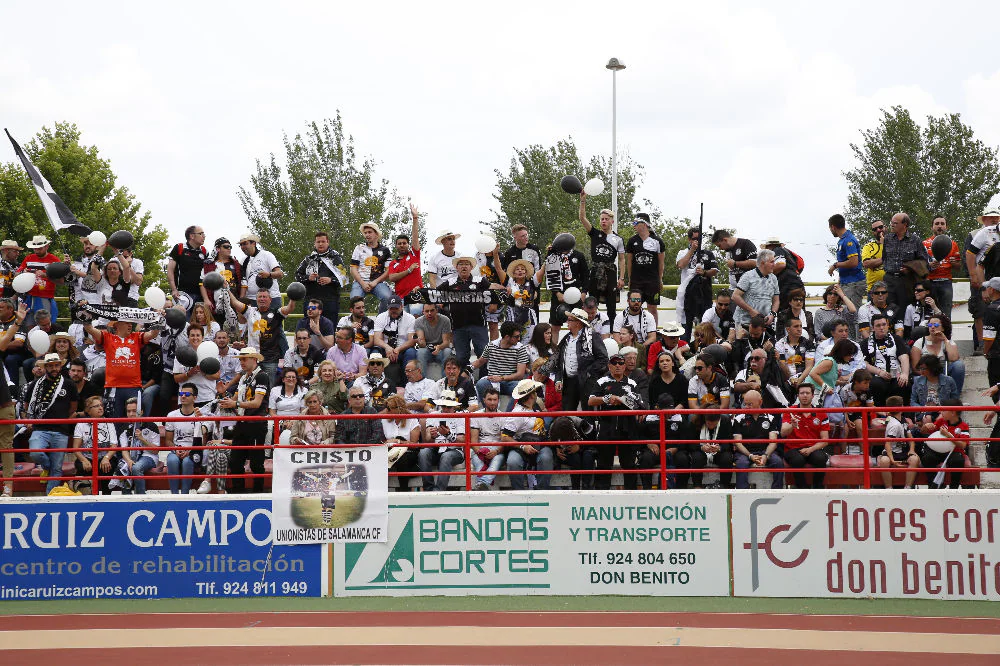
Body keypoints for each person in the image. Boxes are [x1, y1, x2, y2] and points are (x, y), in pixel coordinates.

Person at [83, 314, 159, 418]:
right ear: (117, 325)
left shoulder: (136, 337)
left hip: (133, 387)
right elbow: (89, 328)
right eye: (127, 322)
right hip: (113, 387)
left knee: (135, 421)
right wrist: (85, 314)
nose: (130, 325)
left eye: (131, 323)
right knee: (113, 421)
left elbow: (153, 333)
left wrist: (158, 318)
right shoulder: (107, 337)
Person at [23, 353, 79, 494]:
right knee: (35, 453)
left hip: (61, 430)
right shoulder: (35, 385)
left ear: (60, 366)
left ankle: (50, 497)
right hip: (40, 428)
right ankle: (46, 467)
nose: (54, 368)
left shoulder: (69, 384)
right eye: (50, 366)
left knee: (57, 468)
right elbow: (26, 406)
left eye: (56, 365)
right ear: (45, 367)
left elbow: (73, 408)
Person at [589, 353, 645, 490]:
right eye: (614, 363)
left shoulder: (632, 383)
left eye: (621, 363)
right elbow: (590, 401)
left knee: (629, 464)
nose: (618, 366)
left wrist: (623, 400)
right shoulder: (602, 381)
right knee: (604, 464)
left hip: (628, 427)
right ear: (609, 366)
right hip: (607, 426)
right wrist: (606, 398)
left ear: (625, 366)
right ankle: (602, 496)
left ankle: (631, 497)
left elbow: (640, 404)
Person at [220, 347, 272, 493]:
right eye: (240, 359)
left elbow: (257, 403)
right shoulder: (243, 377)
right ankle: (238, 493)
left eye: (244, 359)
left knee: (256, 463)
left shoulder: (262, 376)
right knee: (235, 461)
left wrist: (234, 403)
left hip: (256, 424)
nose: (241, 362)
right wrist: (224, 397)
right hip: (242, 423)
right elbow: (234, 399)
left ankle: (258, 494)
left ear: (254, 359)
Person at [228, 287, 299, 381]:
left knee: (269, 386)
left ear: (270, 300)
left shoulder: (276, 312)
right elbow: (235, 303)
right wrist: (227, 289)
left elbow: (289, 308)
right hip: (253, 357)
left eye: (265, 297)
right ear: (256, 300)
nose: (262, 299)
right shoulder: (250, 311)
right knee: (251, 385)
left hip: (271, 359)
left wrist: (293, 297)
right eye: (260, 297)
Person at [440, 255, 496, 369]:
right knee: (461, 358)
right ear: (456, 267)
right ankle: (463, 383)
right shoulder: (449, 282)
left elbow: (494, 287)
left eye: (466, 264)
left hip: (478, 325)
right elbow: (433, 293)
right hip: (458, 327)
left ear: (471, 267)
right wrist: (418, 289)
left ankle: (484, 384)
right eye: (461, 264)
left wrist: (505, 290)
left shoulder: (480, 280)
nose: (464, 267)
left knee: (483, 355)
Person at [578, 193, 625, 322]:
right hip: (595, 271)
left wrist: (621, 278)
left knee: (611, 307)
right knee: (591, 303)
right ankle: (590, 330)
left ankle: (611, 334)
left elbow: (622, 259)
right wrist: (583, 201)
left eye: (606, 219)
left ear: (612, 221)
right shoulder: (595, 234)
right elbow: (582, 218)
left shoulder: (618, 239)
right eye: (602, 219)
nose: (603, 221)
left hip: (610, 272)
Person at [552, 308, 609, 410]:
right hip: (569, 382)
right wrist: (558, 380)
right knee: (567, 413)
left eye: (570, 320)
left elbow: (603, 359)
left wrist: (588, 373)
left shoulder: (592, 336)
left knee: (588, 414)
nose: (567, 322)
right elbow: (558, 361)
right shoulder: (566, 338)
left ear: (578, 323)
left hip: (586, 381)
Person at [502, 379, 551, 490]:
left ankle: (541, 493)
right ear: (532, 395)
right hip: (521, 446)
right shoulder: (517, 413)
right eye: (535, 392)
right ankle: (519, 494)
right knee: (513, 462)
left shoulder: (537, 406)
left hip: (540, 443)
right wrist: (523, 446)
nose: (537, 394)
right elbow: (504, 437)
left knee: (546, 458)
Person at [780, 383, 830, 489]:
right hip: (793, 448)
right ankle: (802, 489)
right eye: (802, 393)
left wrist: (811, 449)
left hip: (814, 447)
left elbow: (825, 440)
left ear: (812, 396)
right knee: (798, 460)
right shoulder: (790, 411)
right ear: (798, 395)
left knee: (820, 458)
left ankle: (818, 489)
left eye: (807, 393)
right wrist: (792, 425)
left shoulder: (821, 413)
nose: (805, 395)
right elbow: (783, 433)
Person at [965, 209, 1000, 355]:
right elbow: (970, 253)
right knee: (979, 310)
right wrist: (973, 275)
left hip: (998, 279)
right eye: (990, 217)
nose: (994, 220)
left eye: (996, 217)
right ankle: (981, 344)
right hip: (982, 277)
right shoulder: (984, 232)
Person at [732, 390, 783, 489]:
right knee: (741, 463)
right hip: (745, 452)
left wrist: (765, 455)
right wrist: (750, 455)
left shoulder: (770, 418)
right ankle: (742, 494)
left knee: (778, 462)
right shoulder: (739, 418)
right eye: (745, 404)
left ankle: (777, 492)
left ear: (760, 402)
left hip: (765, 450)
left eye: (750, 404)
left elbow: (773, 442)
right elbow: (738, 443)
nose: (747, 407)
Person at [70, 395, 121, 493]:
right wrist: (84, 460)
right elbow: (76, 448)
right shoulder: (81, 424)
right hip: (88, 457)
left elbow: (114, 446)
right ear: (88, 410)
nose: (100, 408)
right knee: (82, 465)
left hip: (105, 457)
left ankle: (106, 498)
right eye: (96, 406)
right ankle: (89, 495)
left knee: (106, 466)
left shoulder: (109, 423)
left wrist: (106, 458)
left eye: (101, 405)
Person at [542, 237, 589, 341]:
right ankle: (554, 351)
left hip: (575, 294)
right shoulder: (552, 256)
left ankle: (577, 348)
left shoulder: (579, 255)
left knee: (576, 324)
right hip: (559, 294)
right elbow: (549, 276)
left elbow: (585, 275)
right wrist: (556, 292)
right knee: (555, 325)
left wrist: (584, 292)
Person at [418, 390, 465, 491]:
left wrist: (448, 434)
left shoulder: (461, 416)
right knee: (423, 452)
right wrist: (433, 436)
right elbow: (427, 439)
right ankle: (429, 490)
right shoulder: (433, 415)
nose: (446, 409)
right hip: (436, 448)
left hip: (454, 450)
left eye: (449, 407)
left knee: (446, 456)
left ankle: (439, 491)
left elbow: (463, 440)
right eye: (443, 406)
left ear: (454, 407)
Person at [676, 227, 718, 338]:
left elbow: (714, 271)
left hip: (704, 294)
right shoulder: (682, 252)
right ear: (689, 239)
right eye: (694, 238)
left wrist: (704, 272)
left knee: (703, 329)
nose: (697, 241)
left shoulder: (708, 253)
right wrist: (692, 250)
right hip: (688, 296)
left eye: (699, 238)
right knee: (686, 330)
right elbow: (681, 265)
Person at [294, 231, 346, 322]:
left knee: (329, 330)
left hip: (330, 300)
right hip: (311, 301)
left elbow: (344, 278)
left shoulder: (336, 258)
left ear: (328, 242)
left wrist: (330, 280)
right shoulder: (308, 259)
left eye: (323, 241)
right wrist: (308, 278)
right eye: (318, 242)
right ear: (315, 243)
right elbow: (297, 276)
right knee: (309, 330)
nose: (320, 244)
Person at [473, 321, 528, 405]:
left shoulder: (520, 348)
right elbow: (480, 361)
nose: (519, 339)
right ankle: (489, 411)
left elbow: (520, 374)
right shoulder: (491, 345)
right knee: (481, 384)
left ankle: (508, 415)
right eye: (516, 336)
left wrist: (501, 378)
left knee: (521, 388)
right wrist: (467, 370)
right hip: (492, 380)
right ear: (507, 337)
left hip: (510, 382)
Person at [163, 382, 203, 495]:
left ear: (194, 398)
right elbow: (168, 441)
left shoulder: (199, 415)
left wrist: (190, 450)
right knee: (171, 460)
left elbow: (202, 442)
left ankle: (185, 496)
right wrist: (175, 449)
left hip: (194, 451)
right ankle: (174, 496)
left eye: (186, 394)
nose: (183, 396)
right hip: (176, 449)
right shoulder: (171, 415)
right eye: (181, 393)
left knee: (187, 462)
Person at [624, 216, 665, 325]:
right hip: (636, 281)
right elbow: (629, 261)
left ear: (645, 224)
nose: (634, 225)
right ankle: (634, 332)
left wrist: (660, 279)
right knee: (634, 307)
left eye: (636, 222)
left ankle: (654, 332)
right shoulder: (632, 241)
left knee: (652, 308)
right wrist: (630, 278)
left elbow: (661, 263)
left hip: (652, 281)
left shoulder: (657, 241)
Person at [862, 314, 911, 405]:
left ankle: (902, 415)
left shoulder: (896, 339)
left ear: (888, 325)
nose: (882, 328)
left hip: (896, 374)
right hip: (877, 375)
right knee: (876, 384)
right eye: (878, 325)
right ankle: (880, 414)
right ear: (873, 328)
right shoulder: (865, 343)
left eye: (884, 324)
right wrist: (879, 372)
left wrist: (904, 373)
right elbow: (864, 363)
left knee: (903, 383)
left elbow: (904, 357)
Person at [882, 212, 928, 308]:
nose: (892, 225)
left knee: (906, 309)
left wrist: (910, 269)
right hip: (889, 280)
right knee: (890, 310)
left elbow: (924, 261)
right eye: (891, 222)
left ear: (905, 225)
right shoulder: (887, 239)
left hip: (907, 281)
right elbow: (884, 258)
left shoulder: (915, 240)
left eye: (895, 223)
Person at [492, 255, 543, 339]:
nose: (520, 271)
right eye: (517, 269)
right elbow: (498, 269)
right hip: (512, 315)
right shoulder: (509, 282)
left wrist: (549, 256)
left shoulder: (532, 282)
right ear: (513, 273)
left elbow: (542, 271)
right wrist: (495, 253)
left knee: (529, 342)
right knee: (512, 340)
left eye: (523, 269)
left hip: (529, 316)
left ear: (526, 273)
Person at [922, 399, 969, 490]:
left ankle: (953, 488)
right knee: (927, 458)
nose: (940, 412)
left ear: (952, 412)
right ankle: (934, 486)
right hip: (939, 452)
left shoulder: (963, 426)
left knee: (958, 461)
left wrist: (948, 435)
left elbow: (963, 445)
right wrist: (926, 427)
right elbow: (925, 431)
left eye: (943, 410)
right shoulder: (941, 421)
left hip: (954, 452)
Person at [910, 314, 964, 393]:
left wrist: (945, 340)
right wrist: (932, 375)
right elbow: (915, 368)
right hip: (925, 373)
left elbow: (954, 358)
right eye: (930, 324)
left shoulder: (948, 342)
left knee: (959, 365)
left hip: (943, 372)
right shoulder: (920, 343)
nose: (932, 327)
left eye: (936, 325)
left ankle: (954, 397)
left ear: (943, 328)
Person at [385, 204, 423, 314]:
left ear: (408, 245)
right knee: (403, 324)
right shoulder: (393, 263)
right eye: (399, 243)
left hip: (416, 294)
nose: (402, 245)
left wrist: (415, 218)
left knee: (416, 315)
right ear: (396, 246)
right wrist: (409, 270)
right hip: (400, 298)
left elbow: (415, 236)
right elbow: (392, 277)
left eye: (404, 243)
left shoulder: (414, 255)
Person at [171, 325, 220, 408]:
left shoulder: (211, 352)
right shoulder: (182, 354)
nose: (195, 338)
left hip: (206, 397)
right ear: (188, 337)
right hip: (186, 397)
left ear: (202, 337)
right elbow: (176, 378)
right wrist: (189, 373)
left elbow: (217, 375)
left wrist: (203, 371)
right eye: (192, 335)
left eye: (198, 335)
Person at [731, 250, 779, 333]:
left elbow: (776, 300)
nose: (774, 264)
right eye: (772, 262)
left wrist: (772, 315)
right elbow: (735, 296)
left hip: (763, 324)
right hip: (744, 323)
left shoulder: (773, 278)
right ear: (763, 263)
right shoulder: (748, 276)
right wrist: (751, 311)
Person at [878, 395, 920, 489]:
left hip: (903, 451)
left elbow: (911, 439)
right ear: (901, 407)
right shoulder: (894, 425)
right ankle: (889, 488)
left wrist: (912, 450)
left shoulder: (903, 420)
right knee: (884, 461)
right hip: (892, 452)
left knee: (914, 459)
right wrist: (892, 460)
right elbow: (887, 443)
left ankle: (907, 488)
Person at [119, 397, 159, 495]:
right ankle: (126, 500)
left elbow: (156, 451)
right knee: (123, 467)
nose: (131, 414)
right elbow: (124, 450)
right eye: (128, 411)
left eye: (134, 411)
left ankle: (141, 498)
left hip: (149, 456)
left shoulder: (151, 426)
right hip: (130, 457)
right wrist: (128, 461)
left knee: (136, 468)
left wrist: (142, 439)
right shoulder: (124, 428)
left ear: (141, 412)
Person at [381, 394, 421, 491]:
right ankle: (381, 491)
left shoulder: (412, 420)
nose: (386, 410)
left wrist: (398, 441)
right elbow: (381, 440)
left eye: (389, 408)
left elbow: (414, 445)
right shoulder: (384, 420)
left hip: (408, 452)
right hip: (389, 451)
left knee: (402, 457)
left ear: (398, 409)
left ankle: (403, 491)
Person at [350, 222, 393, 311]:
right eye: (365, 233)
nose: (367, 235)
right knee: (354, 300)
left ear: (376, 234)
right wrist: (362, 283)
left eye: (370, 232)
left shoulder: (385, 250)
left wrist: (375, 282)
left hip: (378, 282)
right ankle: (361, 323)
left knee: (387, 298)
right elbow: (353, 268)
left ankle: (380, 322)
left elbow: (389, 271)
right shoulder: (359, 248)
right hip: (360, 281)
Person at [469, 387, 505, 490]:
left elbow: (504, 441)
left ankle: (480, 485)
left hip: (497, 450)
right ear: (484, 400)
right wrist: (480, 452)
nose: (492, 403)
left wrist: (496, 451)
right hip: (479, 449)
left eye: (495, 400)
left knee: (496, 460)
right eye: (490, 399)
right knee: (480, 465)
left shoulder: (503, 416)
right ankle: (483, 486)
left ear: (498, 400)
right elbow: (474, 441)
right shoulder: (476, 415)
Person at [19, 235, 62, 322]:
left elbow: (61, 280)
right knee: (28, 323)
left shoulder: (54, 260)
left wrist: (45, 275)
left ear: (46, 246)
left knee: (44, 324)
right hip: (29, 296)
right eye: (35, 248)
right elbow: (17, 273)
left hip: (45, 297)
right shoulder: (29, 258)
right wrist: (23, 273)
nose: (37, 251)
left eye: (39, 248)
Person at [923, 216, 961, 315]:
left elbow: (958, 268)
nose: (939, 226)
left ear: (946, 227)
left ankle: (946, 331)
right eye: (937, 224)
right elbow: (920, 266)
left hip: (946, 282)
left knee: (946, 314)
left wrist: (954, 263)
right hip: (929, 282)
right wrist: (929, 265)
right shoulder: (924, 244)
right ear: (932, 227)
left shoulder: (953, 244)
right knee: (929, 313)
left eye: (942, 224)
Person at [827, 214, 867, 308]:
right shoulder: (842, 240)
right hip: (846, 282)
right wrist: (839, 282)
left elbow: (853, 262)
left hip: (853, 283)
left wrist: (835, 265)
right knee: (846, 311)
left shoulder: (849, 240)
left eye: (830, 228)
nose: (830, 230)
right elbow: (844, 265)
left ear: (833, 227)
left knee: (852, 312)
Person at [200, 237, 242, 325]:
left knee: (234, 331)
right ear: (218, 249)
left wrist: (241, 300)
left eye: (230, 247)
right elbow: (202, 283)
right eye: (226, 247)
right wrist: (206, 299)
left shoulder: (236, 264)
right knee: (218, 331)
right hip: (216, 303)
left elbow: (243, 283)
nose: (229, 249)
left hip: (234, 303)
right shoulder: (209, 265)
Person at [372, 295, 418, 374]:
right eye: (391, 308)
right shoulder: (381, 317)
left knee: (411, 352)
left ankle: (407, 382)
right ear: (387, 307)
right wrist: (387, 348)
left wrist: (398, 349)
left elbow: (412, 341)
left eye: (396, 308)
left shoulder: (410, 318)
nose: (393, 310)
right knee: (375, 352)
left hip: (403, 349)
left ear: (402, 306)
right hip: (385, 348)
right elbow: (376, 340)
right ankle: (375, 382)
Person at [166, 226, 208, 309]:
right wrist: (174, 289)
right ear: (191, 236)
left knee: (199, 321)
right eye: (201, 234)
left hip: (201, 295)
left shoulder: (204, 251)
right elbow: (170, 270)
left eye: (204, 234)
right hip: (183, 294)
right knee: (183, 321)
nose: (204, 236)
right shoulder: (179, 248)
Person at [238, 232, 283, 302]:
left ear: (254, 243)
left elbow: (280, 274)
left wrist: (269, 274)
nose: (243, 247)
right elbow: (243, 281)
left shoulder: (266, 255)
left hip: (271, 298)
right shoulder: (243, 261)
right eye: (241, 245)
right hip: (251, 300)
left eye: (245, 243)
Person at [775, 315, 815, 388]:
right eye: (796, 326)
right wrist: (791, 379)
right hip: (786, 378)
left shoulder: (809, 344)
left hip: (804, 378)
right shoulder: (780, 344)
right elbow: (782, 365)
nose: (799, 329)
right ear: (788, 329)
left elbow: (809, 366)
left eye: (800, 326)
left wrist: (799, 380)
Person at [413, 303, 453, 376]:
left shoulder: (445, 320)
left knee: (447, 351)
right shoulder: (418, 321)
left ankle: (446, 380)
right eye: (427, 311)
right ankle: (421, 380)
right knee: (421, 352)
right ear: (423, 312)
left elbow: (446, 342)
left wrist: (438, 347)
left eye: (432, 310)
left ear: (436, 310)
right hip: (427, 348)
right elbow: (422, 343)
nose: (429, 313)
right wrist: (420, 341)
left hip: (441, 348)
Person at [0, 328, 17, 495]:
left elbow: (7, 339)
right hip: (5, 405)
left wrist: (18, 322)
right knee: (6, 447)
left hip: (3, 406)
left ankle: (8, 486)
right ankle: (8, 486)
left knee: (6, 447)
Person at [862, 219, 886, 294]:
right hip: (873, 290)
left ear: (885, 228)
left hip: (891, 288)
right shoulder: (868, 246)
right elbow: (866, 264)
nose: (878, 230)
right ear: (873, 232)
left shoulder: (894, 244)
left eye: (880, 227)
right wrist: (885, 258)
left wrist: (875, 262)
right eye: (875, 229)